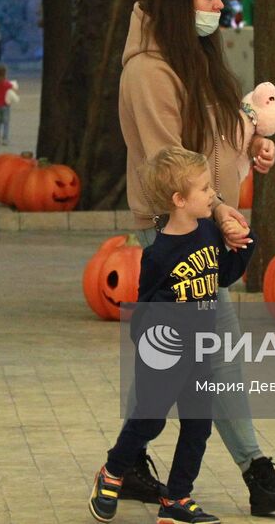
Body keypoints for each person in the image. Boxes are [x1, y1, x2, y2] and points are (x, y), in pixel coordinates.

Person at [116, 0, 275, 516]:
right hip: (176, 233)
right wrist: (220, 208)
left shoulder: (193, 58)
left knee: (171, 356)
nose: (219, 5)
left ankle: (126, 466)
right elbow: (169, 162)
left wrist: (255, 148)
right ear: (179, 3)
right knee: (216, 354)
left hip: (201, 222)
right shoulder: (148, 72)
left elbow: (215, 139)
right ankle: (257, 473)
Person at [88, 146, 252, 524]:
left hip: (199, 354)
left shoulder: (209, 232)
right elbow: (143, 305)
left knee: (198, 426)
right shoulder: (158, 254)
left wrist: (247, 244)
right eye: (204, 190)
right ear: (179, 200)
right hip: (163, 356)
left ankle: (177, 499)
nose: (212, 195)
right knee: (150, 421)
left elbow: (223, 276)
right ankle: (112, 473)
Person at [0, 63, 18, 145]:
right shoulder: (6, 84)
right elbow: (13, 87)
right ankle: (5, 138)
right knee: (6, 122)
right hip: (5, 105)